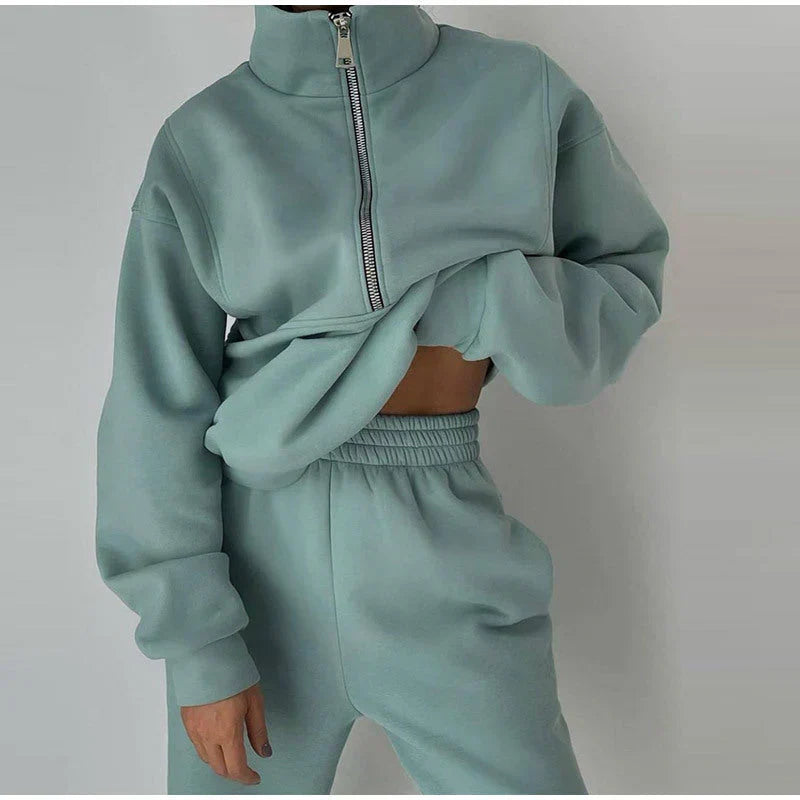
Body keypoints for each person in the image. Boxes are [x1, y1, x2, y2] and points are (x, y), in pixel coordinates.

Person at [95, 4, 669, 794]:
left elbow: (625, 284)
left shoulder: (520, 92)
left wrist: (478, 298)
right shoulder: (205, 138)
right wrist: (197, 646)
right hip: (258, 561)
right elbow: (154, 401)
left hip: (447, 539)